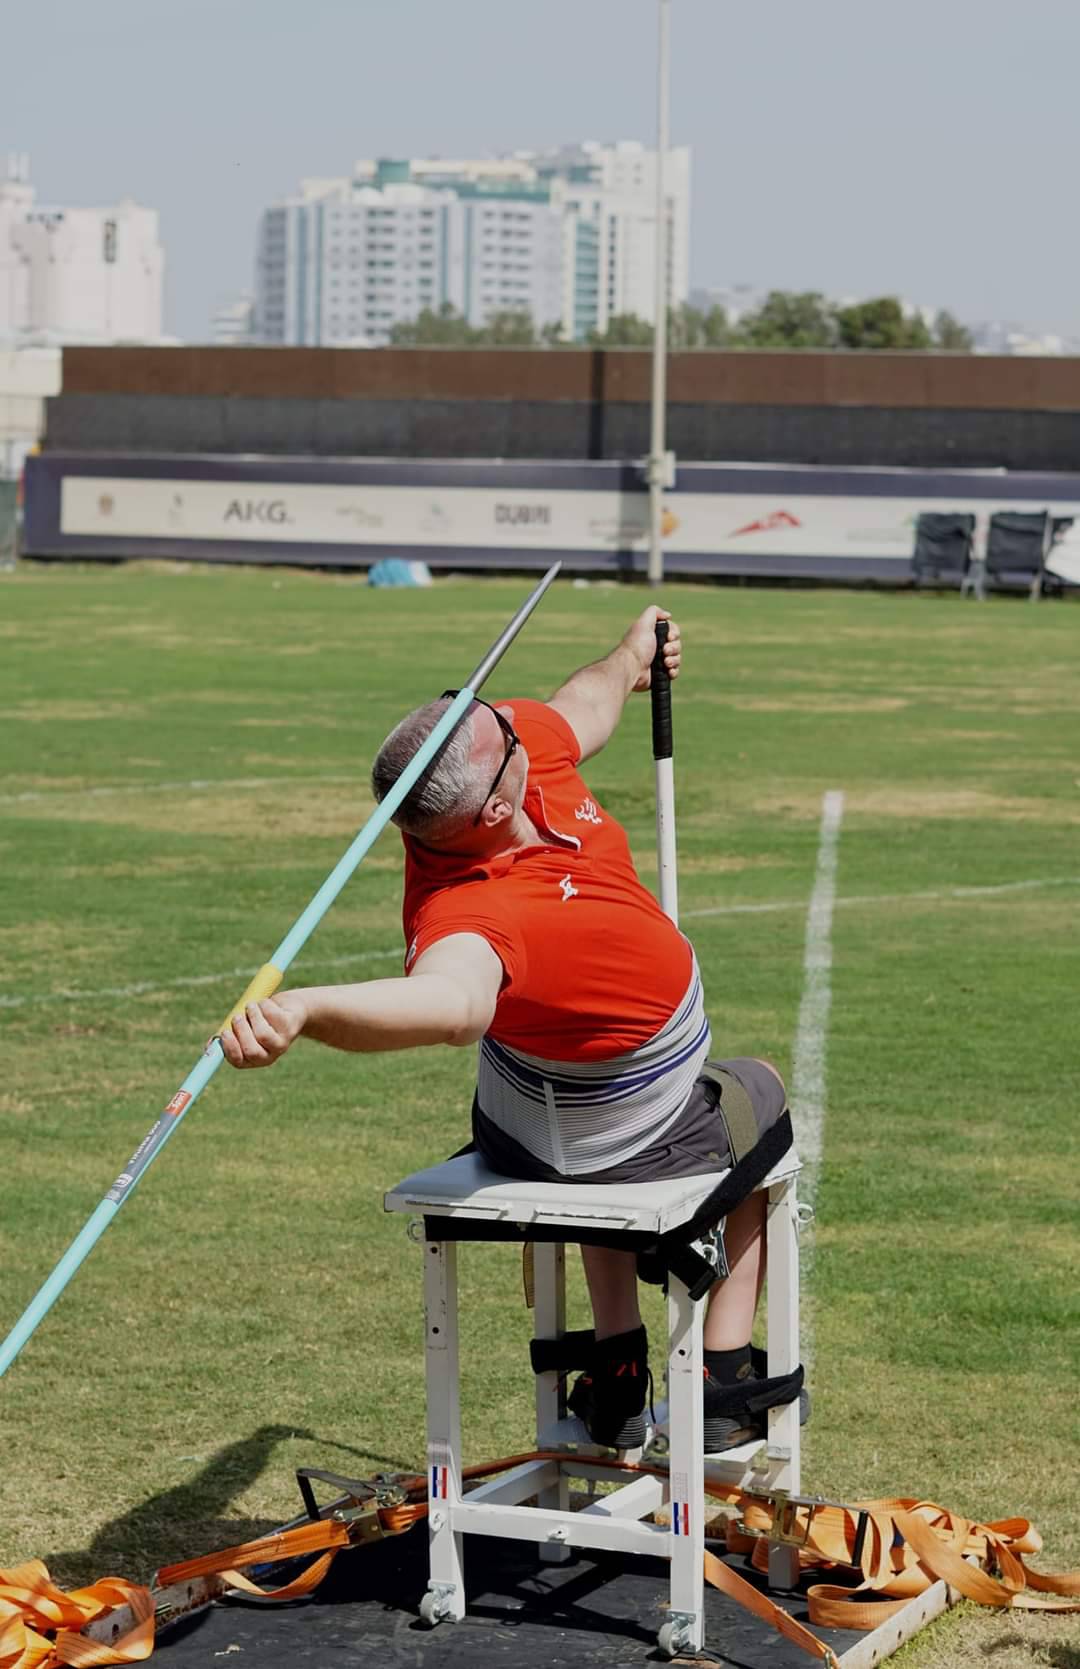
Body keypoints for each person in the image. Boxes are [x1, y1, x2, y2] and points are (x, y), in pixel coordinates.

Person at [219, 605, 794, 1453]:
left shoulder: (504, 754)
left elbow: (580, 704)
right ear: (492, 807)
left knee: (580, 1084)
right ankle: (721, 1376)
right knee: (760, 1093)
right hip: (619, 1137)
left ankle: (618, 1359)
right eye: (504, 734)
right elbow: (452, 1006)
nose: (517, 722)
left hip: (560, 1108)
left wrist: (631, 657)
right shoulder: (466, 915)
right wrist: (306, 1010)